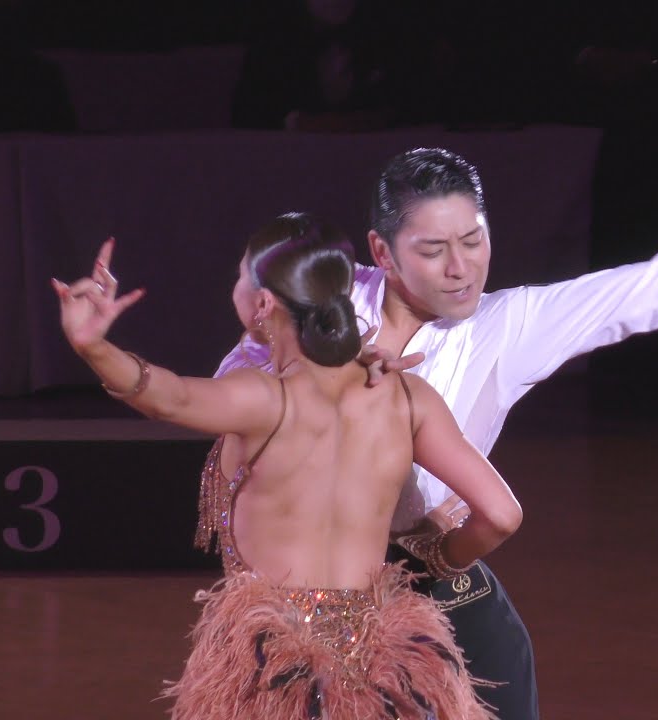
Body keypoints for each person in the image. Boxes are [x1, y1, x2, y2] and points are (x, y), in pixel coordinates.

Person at [218, 134, 658, 718]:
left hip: (438, 578)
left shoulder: (515, 324)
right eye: (433, 249)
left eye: (474, 240)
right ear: (382, 253)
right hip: (316, 599)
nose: (461, 267)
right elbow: (233, 379)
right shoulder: (327, 304)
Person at [53, 213, 520, 720]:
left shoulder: (264, 399)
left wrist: (92, 346)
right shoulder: (408, 397)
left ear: (263, 303)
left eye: (239, 276)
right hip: (383, 672)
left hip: (278, 674)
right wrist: (435, 558)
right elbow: (500, 514)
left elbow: (168, 396)